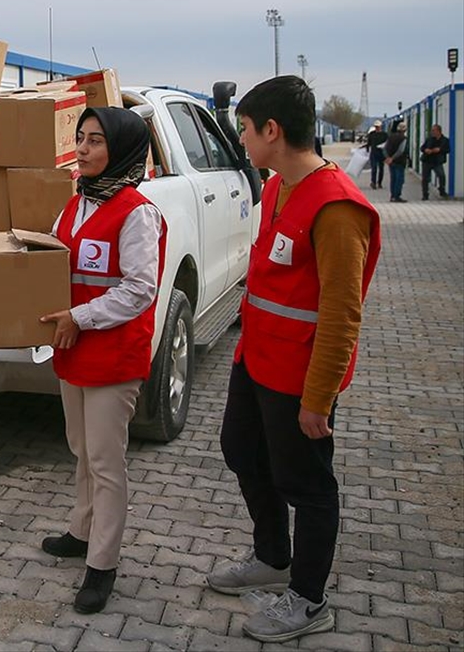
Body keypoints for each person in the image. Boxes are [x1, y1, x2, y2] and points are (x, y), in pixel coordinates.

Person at [208, 75, 381, 643]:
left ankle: (308, 598)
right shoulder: (276, 188)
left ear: (272, 131)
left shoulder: (337, 209)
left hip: (299, 378)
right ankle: (271, 556)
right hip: (255, 361)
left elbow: (341, 316)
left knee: (307, 485)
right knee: (241, 450)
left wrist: (318, 397)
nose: (243, 140)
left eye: (245, 130)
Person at [39, 107, 166, 615]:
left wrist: (80, 316)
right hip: (74, 347)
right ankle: (81, 528)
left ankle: (103, 562)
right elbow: (50, 258)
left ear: (123, 149)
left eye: (96, 141)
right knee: (80, 446)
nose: (84, 148)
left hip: (112, 353)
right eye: (80, 138)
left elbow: (140, 290)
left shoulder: (137, 211)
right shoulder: (76, 203)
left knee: (106, 460)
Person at [419, 124, 451, 200]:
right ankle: (425, 194)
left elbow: (448, 150)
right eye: (432, 130)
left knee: (441, 175)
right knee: (425, 178)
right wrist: (425, 150)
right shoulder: (429, 139)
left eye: (434, 130)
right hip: (427, 161)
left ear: (439, 131)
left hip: (437, 162)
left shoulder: (445, 140)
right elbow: (422, 148)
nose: (432, 132)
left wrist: (440, 150)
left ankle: (442, 190)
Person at [384, 121, 409, 202]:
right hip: (399, 161)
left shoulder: (391, 137)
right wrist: (392, 158)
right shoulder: (404, 139)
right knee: (399, 179)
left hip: (391, 163)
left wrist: (387, 157)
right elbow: (401, 150)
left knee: (393, 179)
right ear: (405, 130)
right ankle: (397, 196)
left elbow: (384, 148)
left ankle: (392, 196)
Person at [364, 120, 388, 190]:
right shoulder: (372, 134)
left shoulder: (384, 135)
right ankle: (373, 182)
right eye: (376, 127)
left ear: (380, 127)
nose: (377, 128)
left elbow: (387, 144)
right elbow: (369, 143)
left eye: (378, 127)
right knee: (374, 168)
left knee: (381, 169)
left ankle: (380, 182)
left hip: (382, 153)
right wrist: (367, 150)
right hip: (374, 153)